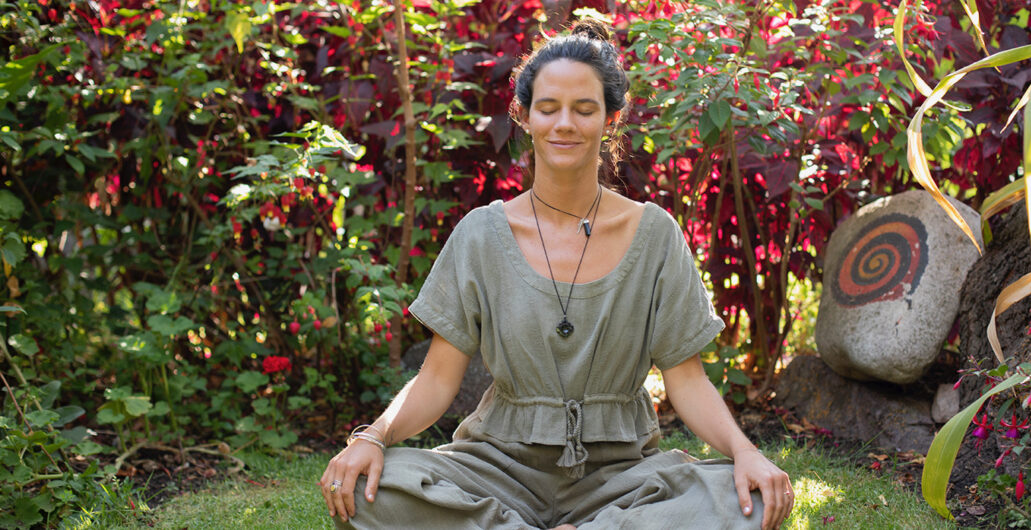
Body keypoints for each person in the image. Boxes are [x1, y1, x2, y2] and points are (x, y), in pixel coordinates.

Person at [319, 20, 794, 530]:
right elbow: (437, 378)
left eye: (584, 109)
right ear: (524, 115)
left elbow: (688, 380)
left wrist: (745, 452)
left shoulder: (654, 234)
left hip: (623, 476)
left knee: (752, 499)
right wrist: (372, 437)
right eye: (548, 108)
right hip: (496, 470)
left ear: (611, 118)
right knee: (376, 487)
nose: (564, 123)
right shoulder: (481, 234)